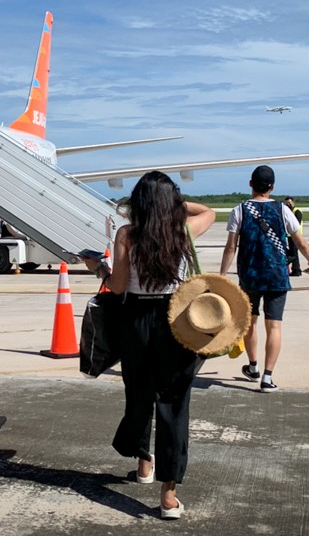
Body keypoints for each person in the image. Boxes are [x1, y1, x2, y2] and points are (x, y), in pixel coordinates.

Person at [82, 170, 216, 519]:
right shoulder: (183, 230)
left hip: (137, 322)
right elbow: (210, 212)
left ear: (139, 201)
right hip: (178, 320)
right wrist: (173, 207)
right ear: (172, 202)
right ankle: (168, 496)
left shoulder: (127, 234)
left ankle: (144, 464)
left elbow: (118, 285)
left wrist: (98, 268)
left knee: (139, 394)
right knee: (174, 403)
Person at [219, 166, 309, 393]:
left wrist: (222, 275)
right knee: (274, 325)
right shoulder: (283, 210)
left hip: (250, 276)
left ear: (250, 184)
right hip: (276, 276)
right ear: (272, 187)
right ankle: (267, 377)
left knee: (250, 322)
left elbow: (231, 246)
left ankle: (253, 367)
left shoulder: (239, 210)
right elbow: (299, 241)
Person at [283, 196, 304, 277]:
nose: (288, 204)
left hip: (295, 235)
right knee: (293, 252)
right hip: (289, 235)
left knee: (293, 253)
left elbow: (296, 224)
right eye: (286, 203)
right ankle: (296, 269)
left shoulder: (297, 211)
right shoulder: (288, 211)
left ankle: (296, 270)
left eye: (289, 202)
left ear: (293, 202)